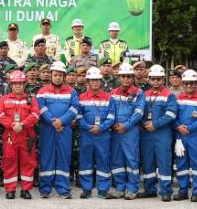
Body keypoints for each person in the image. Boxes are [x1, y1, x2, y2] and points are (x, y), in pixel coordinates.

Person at [0, 69, 39, 198]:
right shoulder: (4, 99)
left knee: (28, 162)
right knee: (9, 162)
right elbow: (0, 115)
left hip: (27, 136)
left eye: (20, 83)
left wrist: (23, 124)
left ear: (24, 84)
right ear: (11, 84)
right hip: (10, 135)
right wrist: (12, 125)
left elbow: (35, 114)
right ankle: (10, 190)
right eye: (15, 83)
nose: (18, 86)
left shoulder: (31, 99)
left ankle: (26, 189)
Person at [34, 64, 77, 199]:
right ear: (51, 75)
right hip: (48, 128)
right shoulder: (42, 91)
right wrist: (53, 122)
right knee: (47, 156)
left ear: (64, 76)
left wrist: (62, 121)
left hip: (64, 129)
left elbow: (74, 108)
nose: (57, 78)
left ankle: (63, 188)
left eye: (60, 75)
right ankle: (45, 188)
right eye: (55, 75)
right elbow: (41, 108)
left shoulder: (71, 91)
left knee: (64, 156)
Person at [74, 67, 115, 198]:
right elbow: (78, 116)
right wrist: (88, 127)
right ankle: (86, 189)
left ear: (101, 81)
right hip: (87, 134)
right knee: (85, 161)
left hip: (103, 135)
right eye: (92, 80)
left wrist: (101, 128)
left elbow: (111, 117)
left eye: (97, 80)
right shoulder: (81, 97)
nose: (95, 82)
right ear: (88, 82)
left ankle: (103, 189)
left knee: (103, 160)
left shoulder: (109, 98)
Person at [139, 65, 177, 202]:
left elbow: (171, 114)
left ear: (163, 79)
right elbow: (139, 112)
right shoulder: (143, 95)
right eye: (153, 79)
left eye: (159, 79)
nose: (156, 82)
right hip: (146, 132)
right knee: (147, 161)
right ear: (149, 79)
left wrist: (155, 124)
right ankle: (149, 189)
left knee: (164, 161)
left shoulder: (169, 95)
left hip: (162, 133)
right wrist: (144, 123)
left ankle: (166, 191)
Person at [107, 63, 145, 199]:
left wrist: (126, 125)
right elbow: (109, 111)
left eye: (128, 76)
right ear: (119, 77)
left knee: (131, 159)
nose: (126, 79)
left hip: (130, 131)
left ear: (132, 78)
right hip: (115, 131)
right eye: (123, 76)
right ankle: (120, 187)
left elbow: (139, 112)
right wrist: (112, 124)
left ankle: (132, 188)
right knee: (116, 160)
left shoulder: (138, 93)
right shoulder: (113, 93)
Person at [172, 70, 197, 201]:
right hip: (180, 136)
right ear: (183, 84)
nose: (189, 85)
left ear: (196, 84)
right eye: (186, 83)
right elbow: (172, 115)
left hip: (196, 136)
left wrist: (190, 128)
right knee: (181, 164)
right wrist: (178, 126)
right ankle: (183, 191)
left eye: (192, 83)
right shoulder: (178, 99)